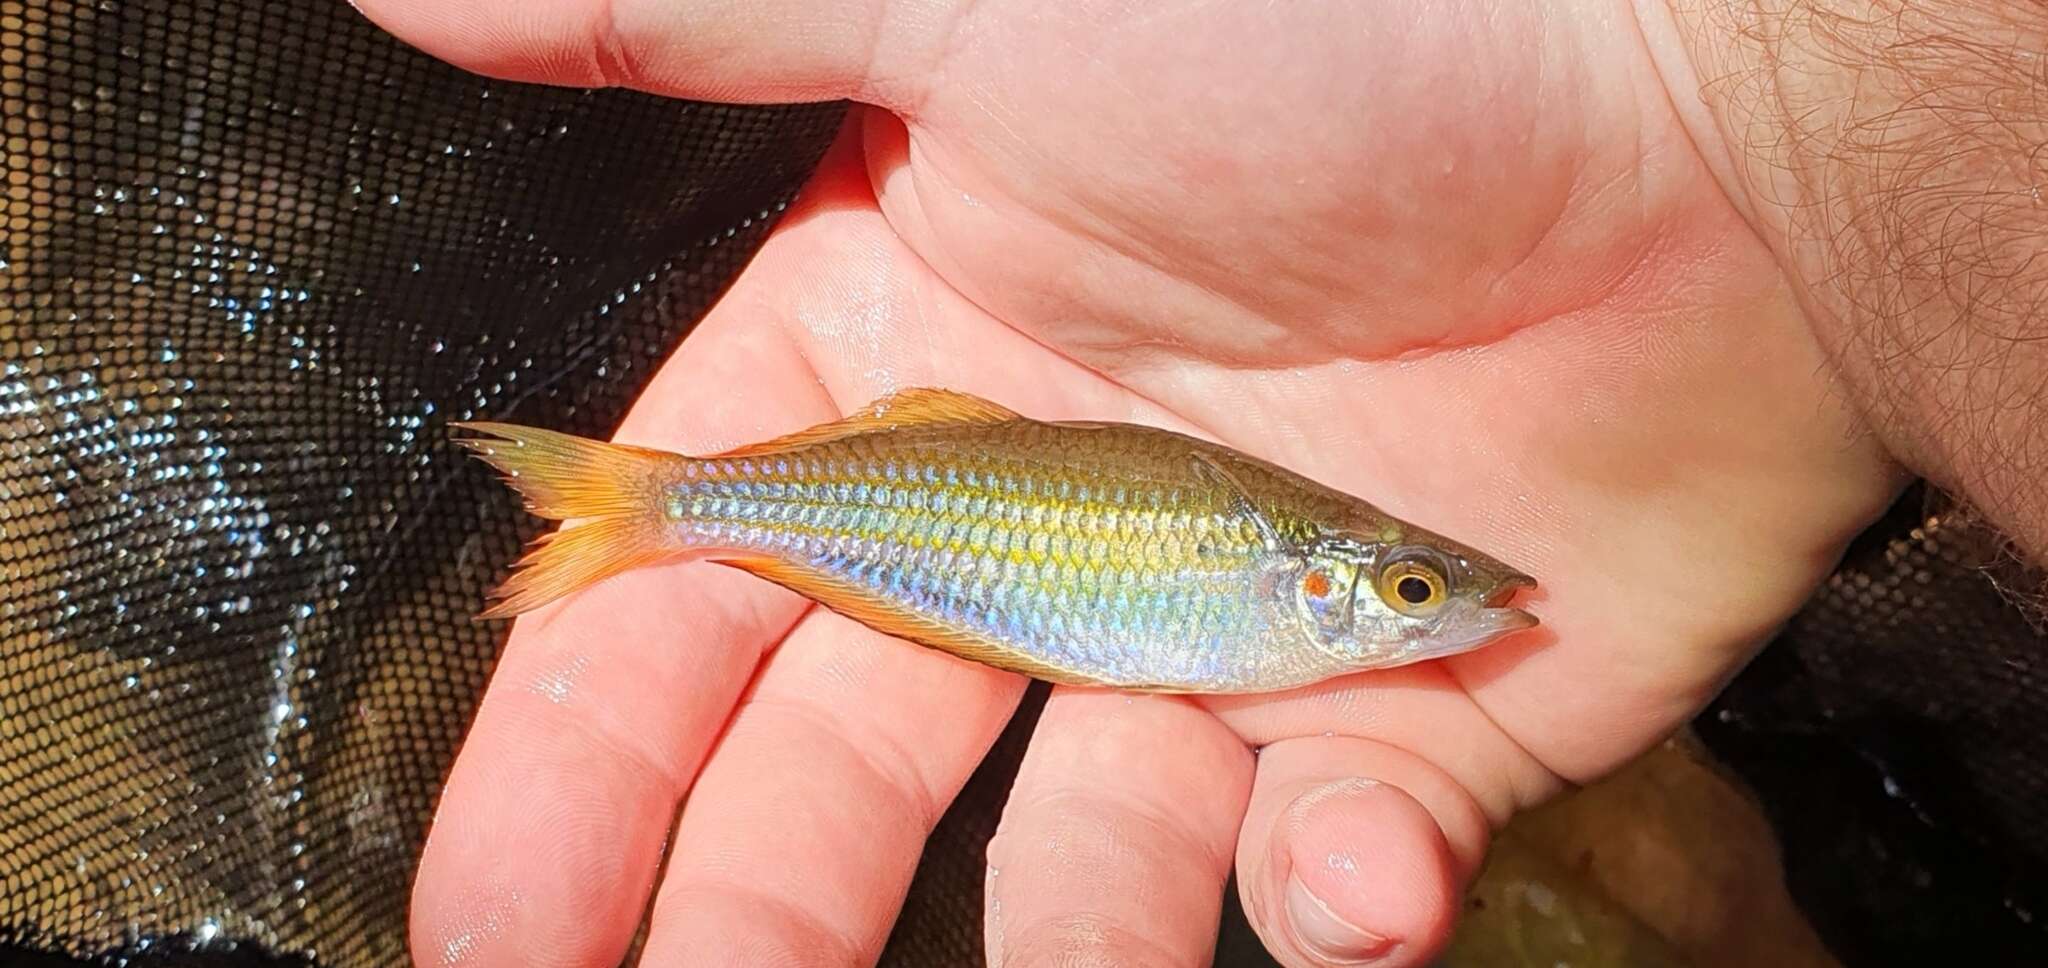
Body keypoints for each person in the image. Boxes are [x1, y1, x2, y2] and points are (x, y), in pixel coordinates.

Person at [348, 1, 2048, 965]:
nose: (1443, 610)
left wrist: (1740, 114)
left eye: (1414, 589)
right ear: (1320, 578)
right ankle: (637, 504)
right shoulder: (1265, 577)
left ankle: (637, 505)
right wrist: (1735, 111)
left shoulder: (1293, 583)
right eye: (1403, 589)